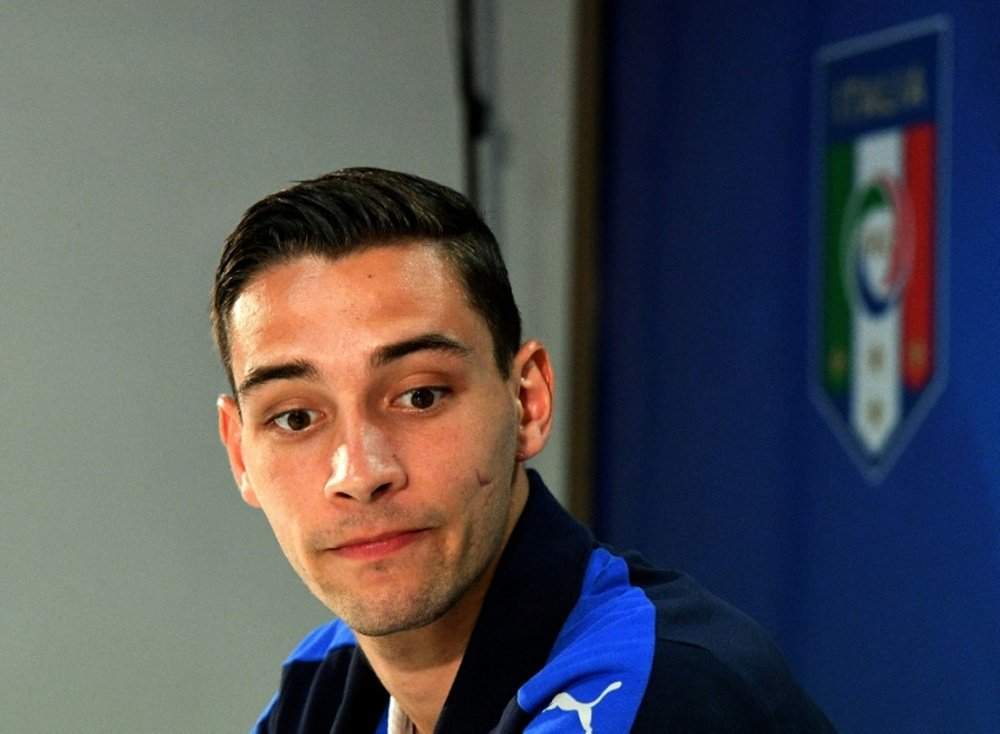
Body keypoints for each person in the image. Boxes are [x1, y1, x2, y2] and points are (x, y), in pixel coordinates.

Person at [212, 167, 835, 733]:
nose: (360, 472)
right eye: (295, 417)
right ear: (241, 455)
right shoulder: (327, 682)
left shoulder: (659, 686)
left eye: (420, 397)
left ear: (527, 401)